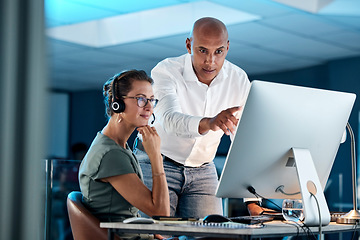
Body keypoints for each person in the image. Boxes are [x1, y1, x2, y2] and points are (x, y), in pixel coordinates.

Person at [133, 17, 251, 219]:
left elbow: (244, 140)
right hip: (156, 161)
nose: (210, 61)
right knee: (152, 233)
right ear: (189, 45)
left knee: (214, 233)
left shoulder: (239, 80)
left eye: (218, 52)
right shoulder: (166, 71)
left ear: (227, 48)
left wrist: (251, 199)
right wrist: (210, 122)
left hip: (203, 169)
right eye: (202, 50)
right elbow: (170, 119)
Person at [78, 70, 170, 239]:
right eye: (141, 99)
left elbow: (128, 215)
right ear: (117, 104)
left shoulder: (118, 147)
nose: (149, 107)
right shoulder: (111, 154)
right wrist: (156, 156)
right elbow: (161, 214)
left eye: (151, 100)